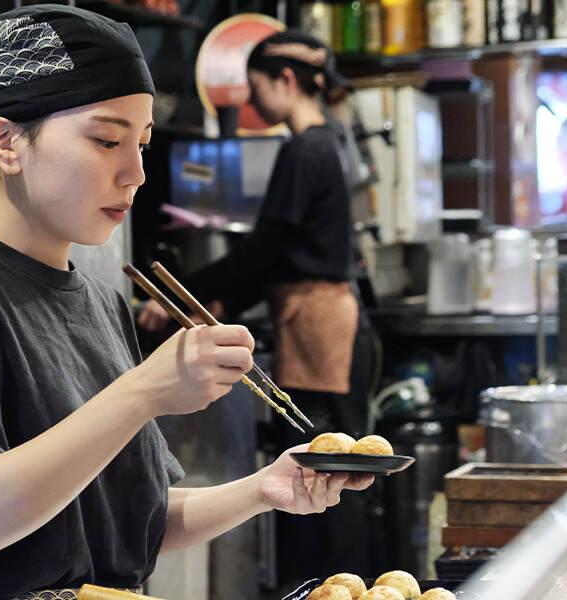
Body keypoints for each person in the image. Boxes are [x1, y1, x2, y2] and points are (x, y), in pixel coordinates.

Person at [0, 7, 374, 599]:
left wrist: (264, 488)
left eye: (141, 143)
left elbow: (136, 519)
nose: (135, 173)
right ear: (6, 143)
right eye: (107, 140)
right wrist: (142, 393)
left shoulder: (100, 302)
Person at [138, 30, 368, 582]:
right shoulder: (330, 141)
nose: (252, 102)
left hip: (319, 328)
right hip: (323, 321)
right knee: (335, 468)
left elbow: (266, 250)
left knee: (324, 470)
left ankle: (330, 585)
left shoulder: (305, 148)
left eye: (257, 87)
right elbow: (273, 254)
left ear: (286, 80)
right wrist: (210, 297)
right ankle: (346, 582)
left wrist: (186, 294)